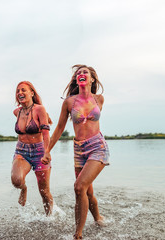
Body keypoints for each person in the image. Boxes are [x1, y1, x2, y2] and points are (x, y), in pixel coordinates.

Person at [42, 64, 110, 239]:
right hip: (79, 149)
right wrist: (47, 150)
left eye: (85, 72)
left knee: (79, 187)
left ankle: (78, 234)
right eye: (78, 73)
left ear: (92, 79)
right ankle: (98, 218)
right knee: (87, 191)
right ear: (76, 80)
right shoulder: (69, 102)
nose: (81, 74)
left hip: (97, 147)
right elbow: (58, 128)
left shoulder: (99, 99)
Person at [11, 81, 53, 216]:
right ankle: (24, 189)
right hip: (21, 151)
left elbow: (46, 134)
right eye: (18, 91)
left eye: (23, 90)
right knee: (16, 180)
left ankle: (49, 218)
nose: (20, 93)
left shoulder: (40, 109)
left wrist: (47, 152)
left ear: (32, 93)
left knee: (44, 192)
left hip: (40, 152)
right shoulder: (17, 112)